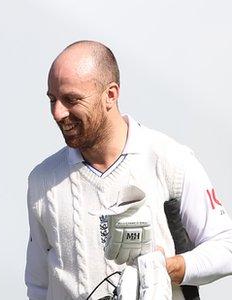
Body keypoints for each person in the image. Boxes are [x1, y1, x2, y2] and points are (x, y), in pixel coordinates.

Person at [24, 40, 232, 299]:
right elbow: (38, 285)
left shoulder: (170, 160)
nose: (57, 112)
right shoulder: (43, 181)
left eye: (71, 99)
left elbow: (226, 246)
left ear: (110, 95)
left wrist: (172, 269)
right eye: (52, 99)